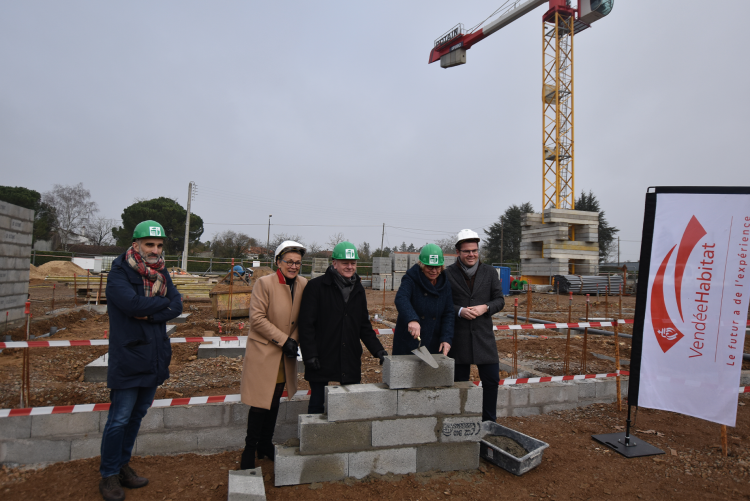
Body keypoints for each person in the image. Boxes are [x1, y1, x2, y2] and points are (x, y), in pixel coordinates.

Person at [99, 220, 183, 501]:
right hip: (129, 356)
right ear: (136, 245)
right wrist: (162, 303)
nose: (155, 250)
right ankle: (108, 474)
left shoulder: (161, 271)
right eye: (149, 244)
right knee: (119, 419)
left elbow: (178, 304)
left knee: (136, 415)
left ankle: (122, 466)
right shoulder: (119, 273)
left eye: (159, 245)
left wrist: (149, 313)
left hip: (154, 356)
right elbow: (131, 304)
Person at [239, 240, 307, 469]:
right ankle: (249, 449)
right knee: (260, 403)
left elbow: (303, 318)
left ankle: (265, 445)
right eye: (289, 261)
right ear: (278, 262)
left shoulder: (303, 284)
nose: (294, 266)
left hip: (285, 352)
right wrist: (283, 339)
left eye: (297, 262)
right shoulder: (264, 283)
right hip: (265, 351)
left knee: (275, 399)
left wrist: (293, 339)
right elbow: (257, 318)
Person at [298, 241, 388, 414]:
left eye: (353, 263)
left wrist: (379, 351)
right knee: (317, 403)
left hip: (349, 357)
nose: (349, 266)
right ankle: (315, 439)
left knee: (348, 406)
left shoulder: (358, 289)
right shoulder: (316, 287)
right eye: (345, 263)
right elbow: (307, 324)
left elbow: (363, 326)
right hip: (322, 357)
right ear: (334, 263)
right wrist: (309, 355)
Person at [444, 229, 505, 422]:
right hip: (459, 338)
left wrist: (485, 307)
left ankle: (489, 423)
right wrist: (460, 311)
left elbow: (499, 300)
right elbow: (443, 303)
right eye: (466, 251)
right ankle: (459, 422)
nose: (471, 254)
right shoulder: (448, 274)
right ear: (458, 253)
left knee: (491, 382)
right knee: (459, 384)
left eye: (474, 250)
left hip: (483, 338)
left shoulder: (489, 272)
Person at [392, 244, 454, 357]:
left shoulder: (445, 284)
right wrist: (412, 319)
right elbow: (401, 298)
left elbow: (448, 312)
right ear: (421, 265)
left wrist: (446, 338)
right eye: (429, 267)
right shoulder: (411, 278)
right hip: (410, 341)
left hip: (434, 341)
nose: (434, 271)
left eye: (438, 267)